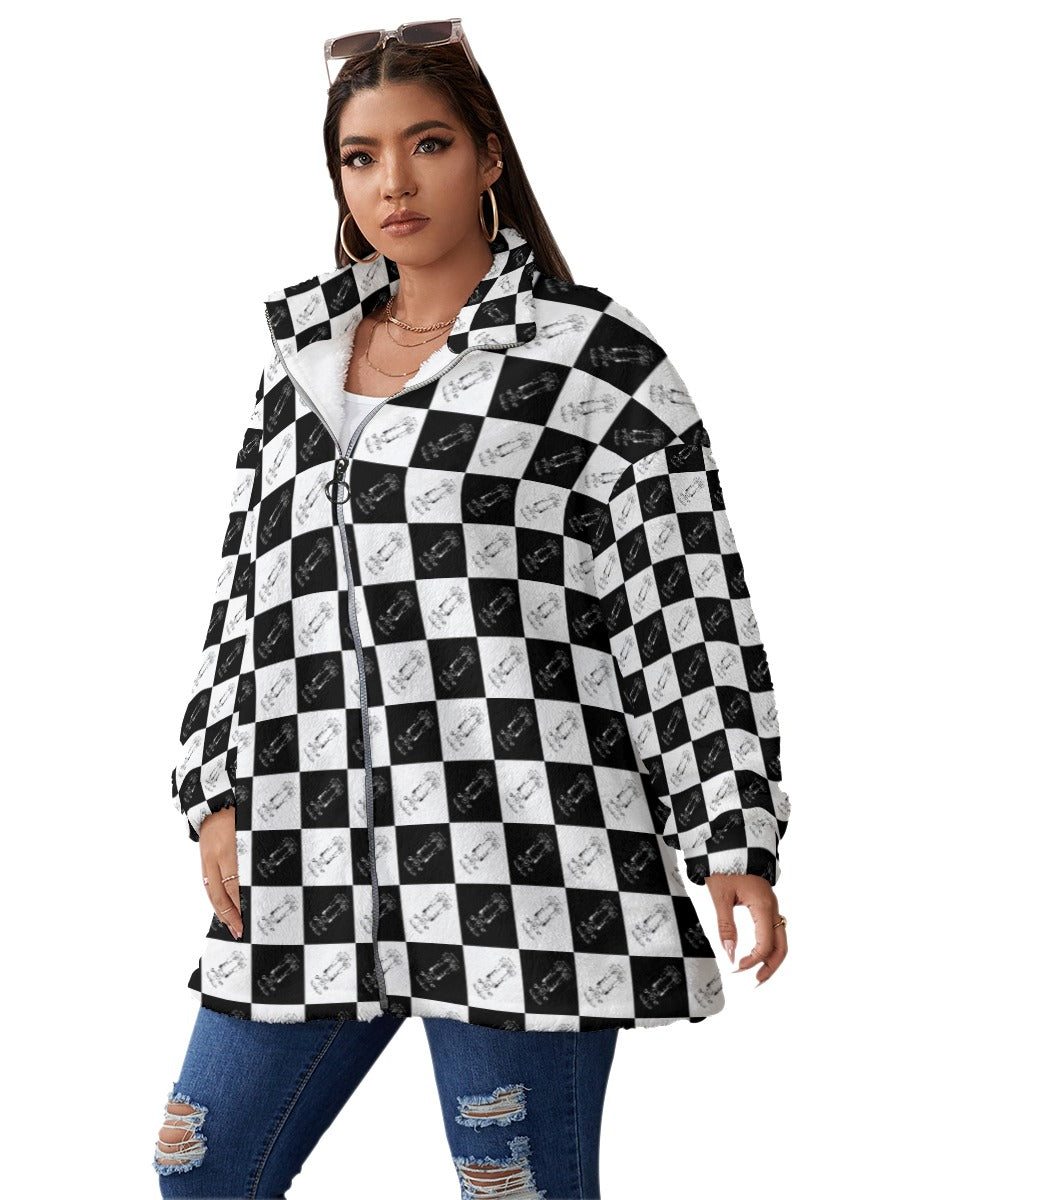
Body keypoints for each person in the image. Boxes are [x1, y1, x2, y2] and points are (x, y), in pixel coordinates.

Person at [155, 19, 792, 1199]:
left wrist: (730, 833)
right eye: (359, 157)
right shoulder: (300, 364)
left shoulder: (593, 363)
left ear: (489, 155)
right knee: (202, 1166)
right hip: (318, 842)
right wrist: (218, 788)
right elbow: (251, 586)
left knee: (515, 1191)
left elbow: (683, 602)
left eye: (428, 144)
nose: (392, 184)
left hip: (521, 851)